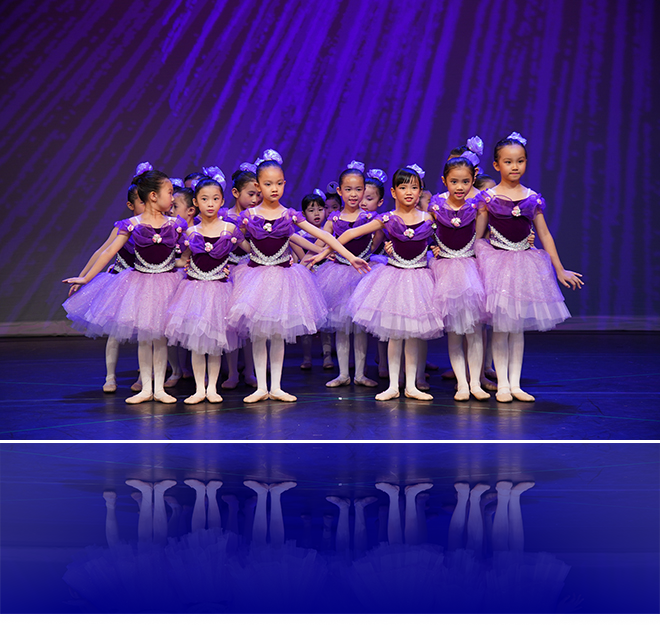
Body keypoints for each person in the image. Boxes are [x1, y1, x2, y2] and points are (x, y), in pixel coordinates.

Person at [228, 149, 370, 403]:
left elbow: (324, 236)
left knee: (278, 334)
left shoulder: (289, 214)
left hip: (283, 278)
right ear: (258, 186)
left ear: (284, 184)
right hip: (256, 278)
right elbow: (232, 236)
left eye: (278, 183)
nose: (274, 189)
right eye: (267, 184)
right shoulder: (248, 216)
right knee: (259, 334)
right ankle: (261, 387)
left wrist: (350, 257)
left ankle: (276, 386)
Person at [308, 165, 443, 401]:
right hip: (394, 279)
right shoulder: (387, 218)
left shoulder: (428, 218)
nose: (409, 192)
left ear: (420, 191)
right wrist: (323, 254)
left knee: (412, 335)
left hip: (419, 279)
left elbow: (446, 236)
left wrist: (440, 249)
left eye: (414, 187)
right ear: (393, 192)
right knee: (395, 335)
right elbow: (349, 234)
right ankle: (392, 385)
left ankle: (411, 385)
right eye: (403, 187)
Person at [475, 132, 583, 402]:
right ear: (497, 165)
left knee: (517, 329)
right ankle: (502, 384)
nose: (515, 166)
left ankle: (515, 384)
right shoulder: (488, 198)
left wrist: (559, 269)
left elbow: (544, 234)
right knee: (501, 328)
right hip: (496, 264)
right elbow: (478, 236)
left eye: (520, 161)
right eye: (508, 161)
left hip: (524, 265)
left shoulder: (532, 198)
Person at [63, 170, 186, 404]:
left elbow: (188, 250)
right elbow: (108, 251)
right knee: (145, 339)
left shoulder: (175, 224)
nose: (172, 198)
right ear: (153, 196)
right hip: (141, 285)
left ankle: (159, 389)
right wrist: (86, 278)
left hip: (168, 284)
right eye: (169, 193)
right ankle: (146, 388)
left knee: (160, 339)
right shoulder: (132, 225)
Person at [165, 172, 248, 404]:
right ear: (196, 202)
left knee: (215, 343)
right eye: (204, 199)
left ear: (222, 201)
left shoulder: (229, 229)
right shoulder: (191, 232)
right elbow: (183, 259)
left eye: (215, 199)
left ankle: (212, 388)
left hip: (219, 290)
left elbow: (251, 251)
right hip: (194, 290)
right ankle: (199, 389)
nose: (210, 204)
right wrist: (163, 264)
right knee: (196, 344)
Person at [429, 156, 490, 401]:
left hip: (470, 270)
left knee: (474, 330)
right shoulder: (436, 205)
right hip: (445, 271)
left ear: (473, 180)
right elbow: (426, 230)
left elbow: (481, 237)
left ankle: (476, 383)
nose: (460, 187)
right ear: (444, 180)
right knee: (454, 332)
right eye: (454, 181)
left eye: (465, 181)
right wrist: (432, 246)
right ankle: (462, 383)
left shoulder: (478, 205)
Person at [314, 161, 380, 388]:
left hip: (364, 276)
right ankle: (343, 374)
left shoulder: (371, 218)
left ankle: (360, 374)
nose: (353, 194)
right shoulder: (334, 219)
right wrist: (320, 255)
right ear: (340, 191)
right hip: (338, 276)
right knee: (342, 327)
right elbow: (321, 242)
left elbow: (377, 242)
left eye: (358, 189)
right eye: (348, 189)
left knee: (359, 327)